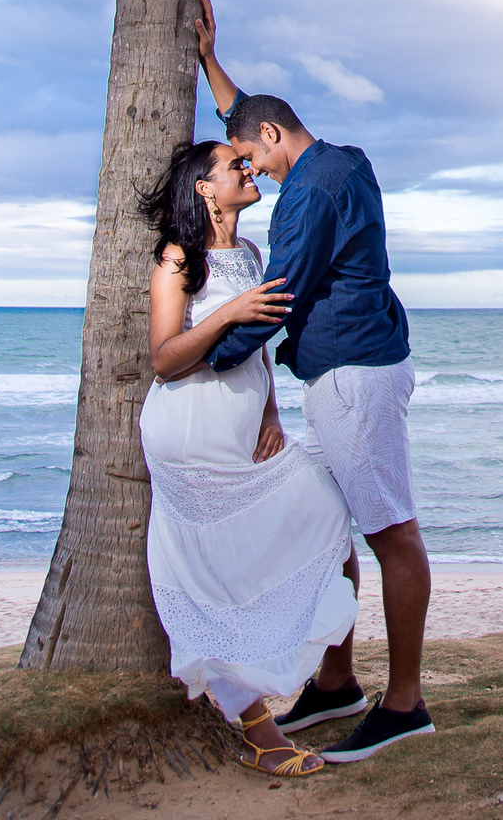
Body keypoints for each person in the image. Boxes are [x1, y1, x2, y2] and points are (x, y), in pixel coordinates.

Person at [195, 0, 434, 764]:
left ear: (272, 137)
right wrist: (209, 64)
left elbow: (278, 295)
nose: (251, 174)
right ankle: (337, 684)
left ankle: (404, 706)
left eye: (252, 158)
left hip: (353, 378)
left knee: (390, 531)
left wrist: (204, 356)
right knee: (332, 527)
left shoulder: (306, 200)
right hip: (352, 367)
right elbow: (254, 117)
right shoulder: (340, 159)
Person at [138, 140, 362, 777]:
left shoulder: (253, 255)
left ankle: (325, 681)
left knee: (325, 514)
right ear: (205, 189)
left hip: (245, 428)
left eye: (247, 161)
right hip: (189, 433)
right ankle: (263, 735)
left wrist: (269, 413)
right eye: (232, 165)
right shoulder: (178, 258)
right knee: (217, 580)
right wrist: (231, 310)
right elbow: (164, 357)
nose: (246, 168)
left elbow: (258, 345)